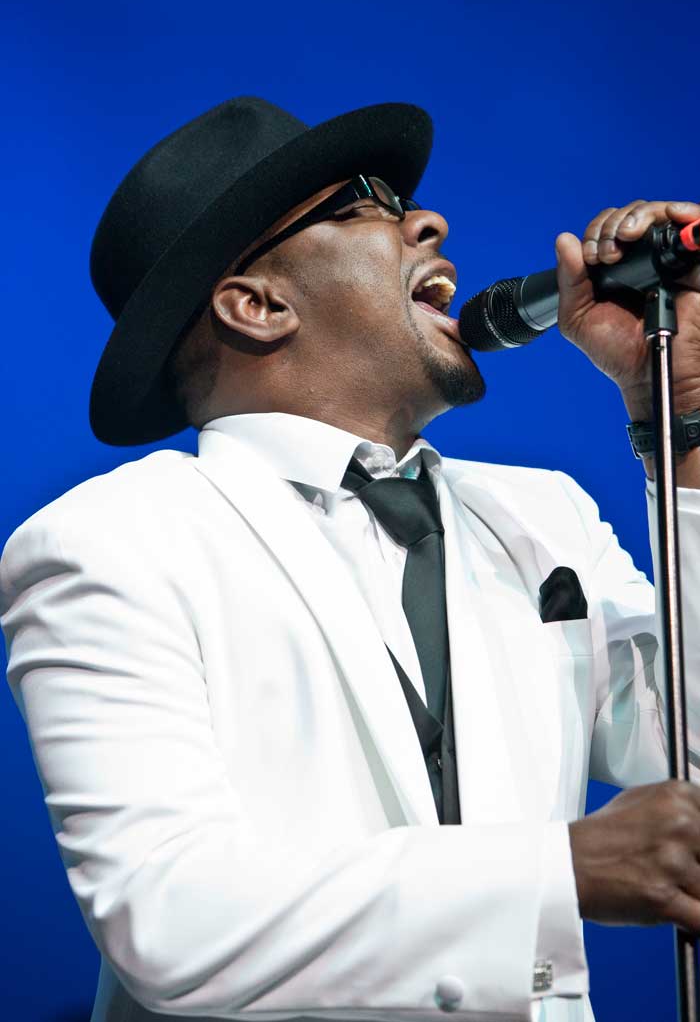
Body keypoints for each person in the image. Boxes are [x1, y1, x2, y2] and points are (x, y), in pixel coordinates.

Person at [2, 96, 700, 1022]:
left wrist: (682, 416)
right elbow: (169, 917)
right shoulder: (110, 542)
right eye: (364, 204)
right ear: (256, 304)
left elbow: (682, 747)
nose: (428, 219)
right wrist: (556, 871)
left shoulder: (545, 515)